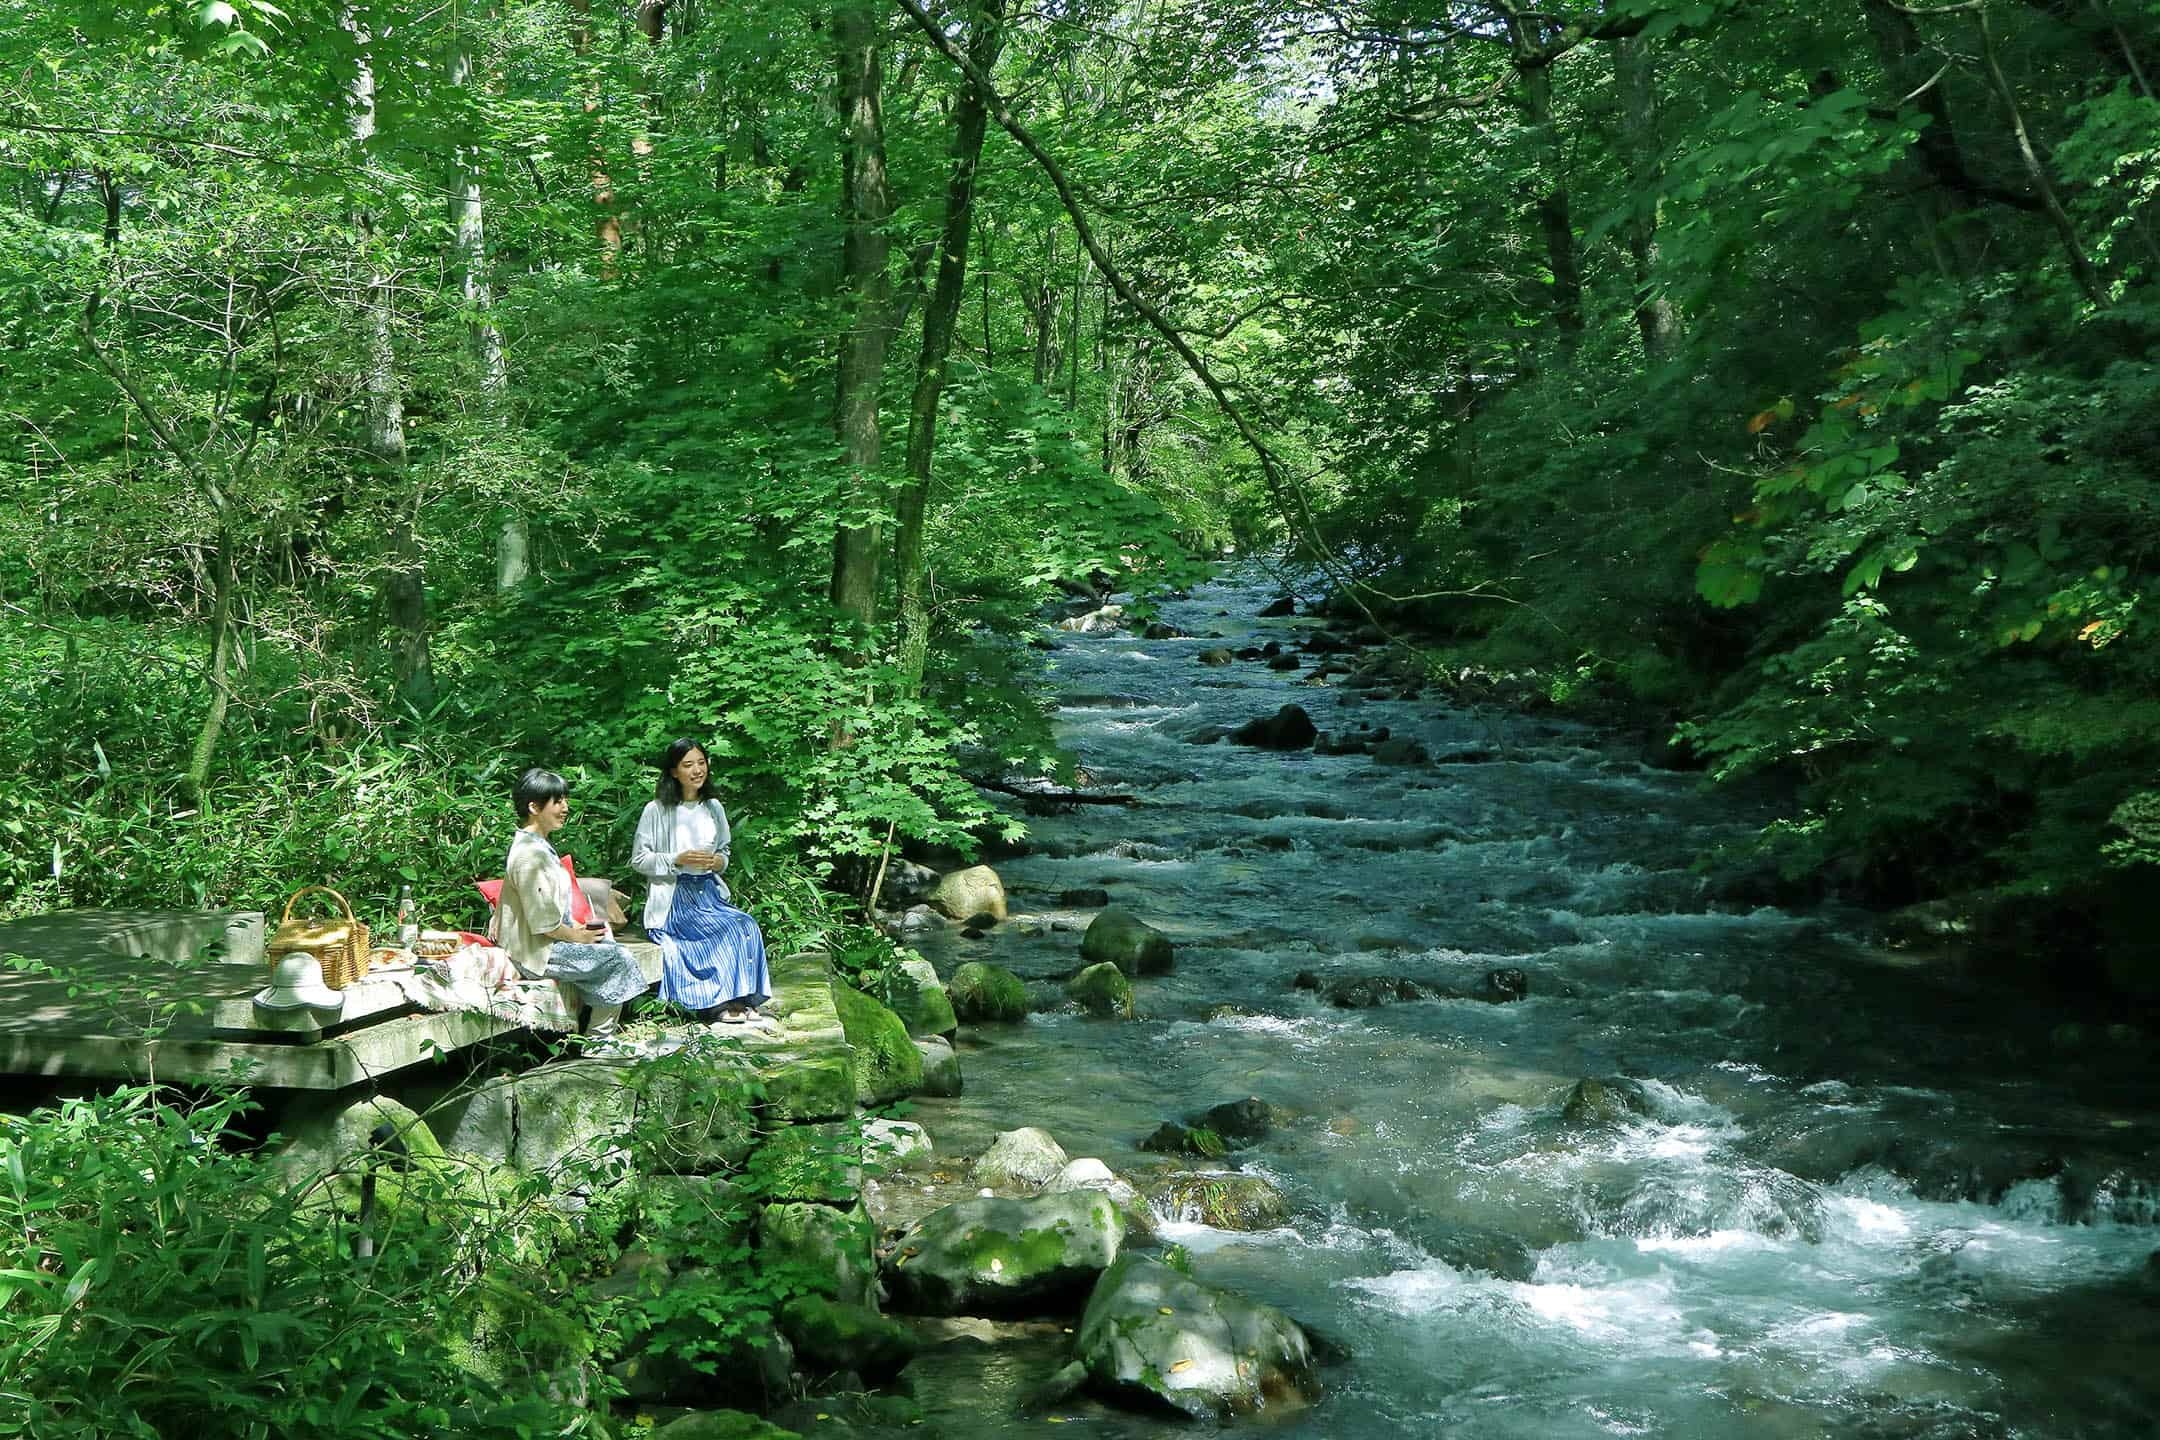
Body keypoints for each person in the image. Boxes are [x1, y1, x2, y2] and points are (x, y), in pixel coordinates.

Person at [631, 737, 773, 1026]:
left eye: (701, 762)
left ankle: (741, 998)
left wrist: (717, 862)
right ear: (673, 771)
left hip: (708, 893)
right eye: (688, 765)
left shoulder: (713, 807)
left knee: (744, 924)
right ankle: (717, 1003)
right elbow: (639, 860)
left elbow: (724, 851)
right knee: (723, 930)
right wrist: (677, 859)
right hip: (675, 900)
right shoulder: (656, 810)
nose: (697, 770)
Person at [498, 767, 649, 1039]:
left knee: (607, 942)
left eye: (564, 800)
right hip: (535, 953)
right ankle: (598, 1040)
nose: (565, 808)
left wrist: (581, 930)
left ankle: (598, 1035)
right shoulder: (528, 855)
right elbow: (543, 924)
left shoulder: (539, 846)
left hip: (551, 942)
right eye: (557, 802)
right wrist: (577, 936)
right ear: (534, 806)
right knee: (618, 958)